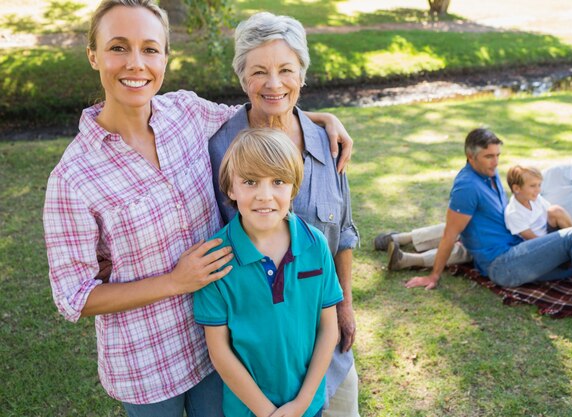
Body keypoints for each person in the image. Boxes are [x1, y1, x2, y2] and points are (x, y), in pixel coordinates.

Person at [42, 1, 353, 416]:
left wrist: (322, 119)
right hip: (148, 365)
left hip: (219, 350)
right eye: (118, 47)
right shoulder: (72, 177)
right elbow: (73, 298)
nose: (135, 63)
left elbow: (261, 109)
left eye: (150, 49)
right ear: (94, 55)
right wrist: (175, 281)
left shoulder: (185, 113)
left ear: (165, 57)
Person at [209, 12, 360, 417]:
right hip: (258, 366)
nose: (274, 84)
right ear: (243, 79)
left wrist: (345, 305)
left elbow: (343, 231)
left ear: (302, 75)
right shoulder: (219, 147)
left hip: (329, 350)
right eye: (259, 72)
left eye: (286, 70)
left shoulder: (328, 144)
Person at [403, 128, 572, 319]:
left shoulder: (489, 175)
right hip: (502, 265)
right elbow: (450, 235)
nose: (496, 161)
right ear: (471, 157)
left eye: (497, 155)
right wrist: (433, 275)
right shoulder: (467, 187)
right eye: (489, 156)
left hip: (519, 252)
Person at [195, 128, 341, 417]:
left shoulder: (315, 245)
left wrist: (301, 404)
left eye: (277, 182)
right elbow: (220, 351)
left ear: (293, 187)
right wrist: (266, 412)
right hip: (248, 409)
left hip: (306, 405)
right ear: (231, 188)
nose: (265, 195)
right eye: (250, 182)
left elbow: (328, 329)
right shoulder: (216, 258)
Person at [504, 165, 572, 240]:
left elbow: (551, 214)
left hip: (547, 233)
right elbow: (533, 240)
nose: (538, 190)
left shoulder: (535, 198)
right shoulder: (513, 213)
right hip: (536, 244)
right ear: (516, 188)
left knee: (556, 210)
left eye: (539, 185)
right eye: (533, 186)